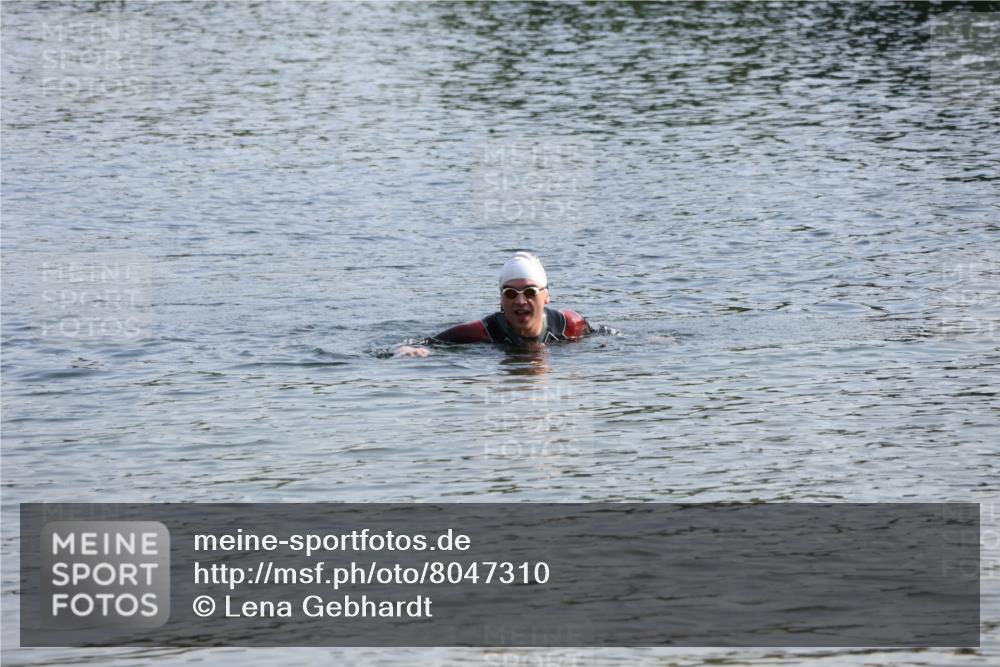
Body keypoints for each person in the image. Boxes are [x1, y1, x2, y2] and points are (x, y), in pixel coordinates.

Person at [395, 252, 592, 357]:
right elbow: (425, 344)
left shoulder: (568, 324)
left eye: (530, 292)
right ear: (501, 299)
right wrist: (405, 350)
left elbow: (605, 335)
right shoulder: (483, 332)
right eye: (511, 293)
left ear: (546, 296)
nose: (520, 301)